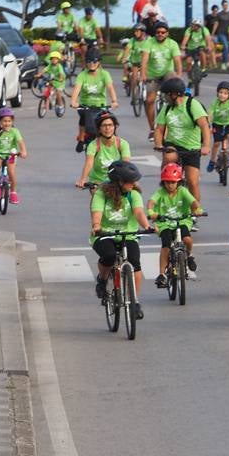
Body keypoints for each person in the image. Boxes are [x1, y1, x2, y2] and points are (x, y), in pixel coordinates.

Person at [89, 160, 149, 316]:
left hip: (127, 234)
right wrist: (96, 225)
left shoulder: (133, 194)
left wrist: (147, 226)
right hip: (104, 234)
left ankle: (135, 301)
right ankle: (102, 280)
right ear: (118, 182)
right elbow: (97, 212)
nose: (133, 184)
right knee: (108, 256)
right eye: (129, 181)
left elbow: (138, 212)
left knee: (135, 263)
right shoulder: (101, 194)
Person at [154, 77, 212, 205]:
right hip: (173, 145)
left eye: (167, 95)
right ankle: (165, 186)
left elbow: (204, 126)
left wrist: (206, 146)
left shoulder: (192, 105)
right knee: (169, 156)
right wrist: (158, 144)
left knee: (192, 181)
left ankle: (195, 211)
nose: (165, 98)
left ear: (175, 94)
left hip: (192, 148)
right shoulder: (167, 108)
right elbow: (159, 129)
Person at [147, 162, 204, 285]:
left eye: (173, 182)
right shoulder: (160, 192)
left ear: (178, 182)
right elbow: (151, 201)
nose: (170, 185)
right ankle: (162, 274)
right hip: (165, 223)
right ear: (163, 182)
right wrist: (151, 211)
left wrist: (197, 210)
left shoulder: (183, 191)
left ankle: (189, 256)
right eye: (167, 182)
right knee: (166, 246)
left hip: (182, 221)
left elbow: (193, 202)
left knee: (187, 239)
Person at [139, 22, 182, 139]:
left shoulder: (172, 44)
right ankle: (152, 129)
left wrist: (179, 75)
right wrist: (143, 74)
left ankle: (173, 123)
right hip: (153, 76)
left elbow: (177, 60)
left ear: (167, 33)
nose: (160, 34)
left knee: (174, 97)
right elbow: (144, 59)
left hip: (167, 74)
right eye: (158, 32)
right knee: (149, 100)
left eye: (163, 32)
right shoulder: (149, 42)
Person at [69, 48, 118, 142]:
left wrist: (114, 101)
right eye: (89, 61)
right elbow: (76, 89)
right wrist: (73, 102)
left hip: (101, 107)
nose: (92, 63)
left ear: (99, 62)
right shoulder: (82, 75)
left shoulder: (104, 74)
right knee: (84, 117)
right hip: (85, 106)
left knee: (111, 122)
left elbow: (110, 88)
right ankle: (81, 137)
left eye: (94, 61)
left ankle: (113, 144)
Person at [75, 110, 130, 189]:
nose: (107, 128)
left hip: (116, 182)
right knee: (97, 200)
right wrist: (83, 180)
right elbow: (89, 163)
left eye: (110, 125)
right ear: (99, 129)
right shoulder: (93, 145)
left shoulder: (123, 144)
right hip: (97, 182)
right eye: (104, 125)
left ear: (115, 127)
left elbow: (126, 164)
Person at [0, 108, 26, 205]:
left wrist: (23, 151)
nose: (7, 123)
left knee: (11, 172)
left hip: (11, 155)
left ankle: (13, 192)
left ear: (12, 121)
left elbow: (21, 142)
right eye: (4, 121)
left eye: (9, 121)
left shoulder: (15, 131)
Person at [206, 82, 229, 177]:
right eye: (221, 92)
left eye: (225, 93)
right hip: (217, 124)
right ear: (217, 93)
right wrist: (208, 126)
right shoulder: (215, 102)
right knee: (217, 143)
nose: (222, 95)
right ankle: (212, 161)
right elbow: (210, 114)